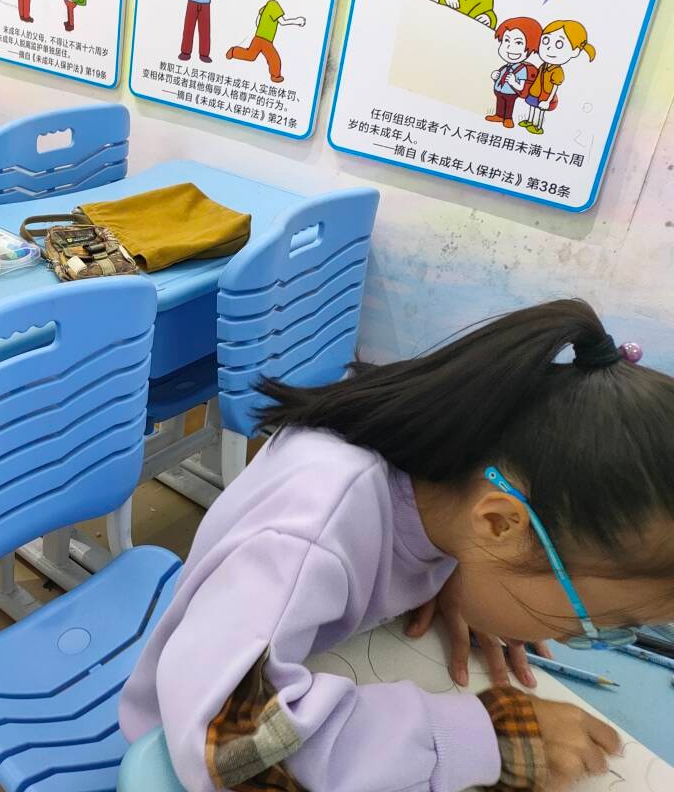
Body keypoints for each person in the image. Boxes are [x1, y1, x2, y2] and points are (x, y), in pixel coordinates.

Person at [121, 298, 673, 792]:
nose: (573, 637)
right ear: (501, 525)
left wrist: (458, 573)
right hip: (172, 740)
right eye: (592, 627)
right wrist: (489, 737)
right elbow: (230, 746)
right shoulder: (310, 530)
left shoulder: (448, 477)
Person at [225, 0, 306, 83]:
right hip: (265, 40)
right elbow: (283, 22)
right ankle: (275, 76)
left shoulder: (266, 6)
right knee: (273, 58)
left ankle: (233, 52)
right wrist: (297, 21)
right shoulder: (273, 6)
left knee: (250, 55)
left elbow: (258, 20)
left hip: (259, 38)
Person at [523, 20, 595, 136]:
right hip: (535, 91)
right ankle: (529, 121)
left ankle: (538, 126)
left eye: (559, 44)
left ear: (575, 52)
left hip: (545, 94)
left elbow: (555, 87)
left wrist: (548, 101)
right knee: (532, 106)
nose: (549, 48)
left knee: (541, 111)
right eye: (545, 40)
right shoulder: (543, 65)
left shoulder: (557, 71)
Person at [487, 16, 541, 129]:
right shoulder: (505, 67)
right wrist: (494, 76)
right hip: (499, 90)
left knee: (509, 105)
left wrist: (513, 82)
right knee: (500, 103)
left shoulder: (522, 69)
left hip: (511, 92)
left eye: (519, 43)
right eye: (506, 40)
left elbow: (521, 86)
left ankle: (508, 118)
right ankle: (499, 116)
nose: (510, 47)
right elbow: (499, 76)